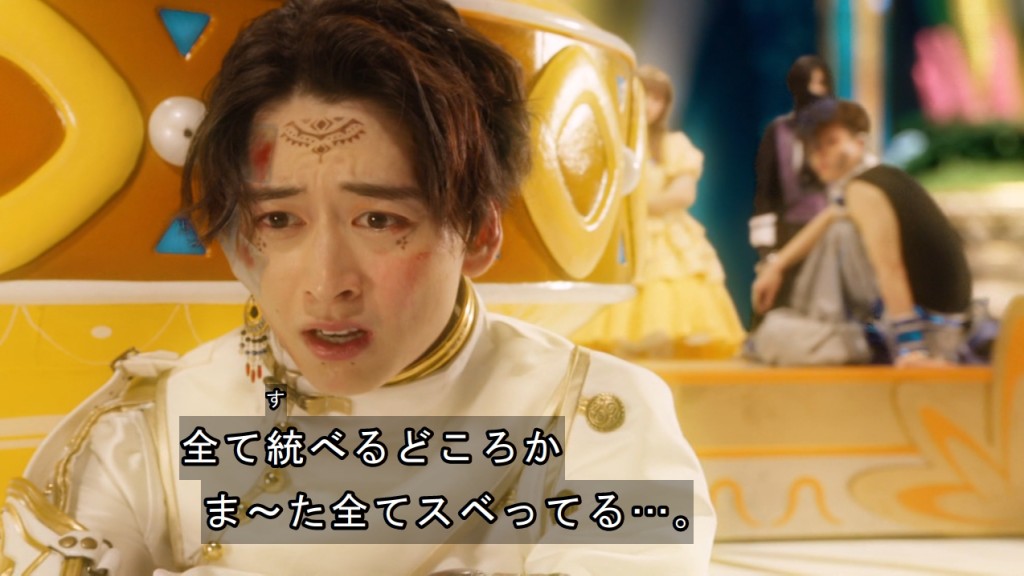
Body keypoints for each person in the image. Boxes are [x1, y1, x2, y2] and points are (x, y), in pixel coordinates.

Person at [1, 1, 715, 574]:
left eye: (379, 220)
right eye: (280, 220)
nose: (326, 283)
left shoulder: (596, 417)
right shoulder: (149, 429)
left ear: (478, 232)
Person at [749, 98, 972, 367]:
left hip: (925, 335)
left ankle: (875, 343)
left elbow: (890, 269)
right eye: (813, 148)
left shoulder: (864, 190)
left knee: (773, 336)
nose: (821, 155)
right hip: (945, 327)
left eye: (831, 142)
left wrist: (911, 350)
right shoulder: (879, 180)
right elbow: (832, 213)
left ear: (859, 143)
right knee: (835, 228)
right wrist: (777, 265)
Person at [573, 64, 744, 359]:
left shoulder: (674, 145)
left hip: (664, 236)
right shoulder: (607, 143)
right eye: (644, 96)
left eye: (657, 99)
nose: (650, 105)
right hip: (617, 235)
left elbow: (683, 193)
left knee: (667, 307)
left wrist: (635, 207)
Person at [749, 55, 838, 312]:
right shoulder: (779, 132)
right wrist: (767, 250)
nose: (817, 92)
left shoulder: (841, 133)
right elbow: (765, 193)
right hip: (790, 233)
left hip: (833, 232)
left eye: (822, 83)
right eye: (811, 83)